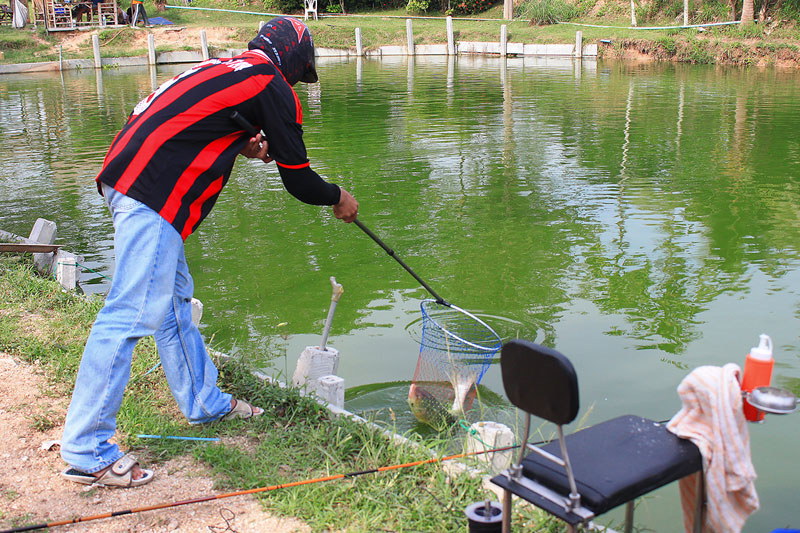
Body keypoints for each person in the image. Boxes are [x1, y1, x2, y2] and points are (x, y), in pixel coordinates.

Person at [60, 16, 359, 488]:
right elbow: (299, 181)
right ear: (295, 62)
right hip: (151, 190)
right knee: (131, 312)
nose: (297, 84)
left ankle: (203, 402)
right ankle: (86, 448)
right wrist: (338, 196)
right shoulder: (272, 83)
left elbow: (195, 121)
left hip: (131, 175)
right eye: (300, 74)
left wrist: (240, 144)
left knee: (174, 304)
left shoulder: (230, 66)